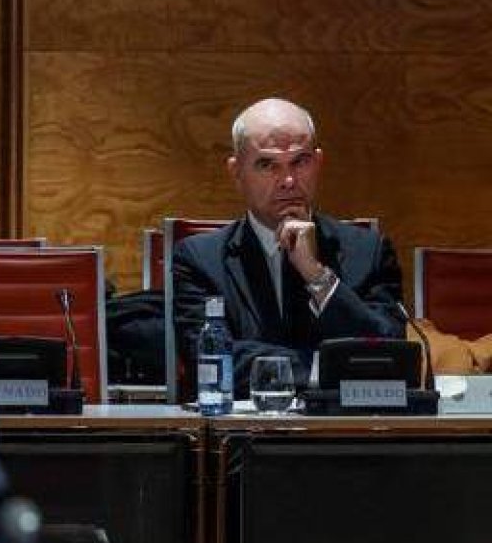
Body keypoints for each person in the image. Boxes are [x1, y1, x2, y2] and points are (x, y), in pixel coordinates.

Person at [172, 97, 404, 399]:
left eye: (300, 161)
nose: (288, 181)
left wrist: (317, 276)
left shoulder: (368, 252)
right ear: (236, 172)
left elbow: (389, 353)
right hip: (245, 437)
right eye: (267, 165)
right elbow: (211, 362)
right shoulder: (199, 260)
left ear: (318, 163)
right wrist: (326, 367)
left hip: (342, 437)